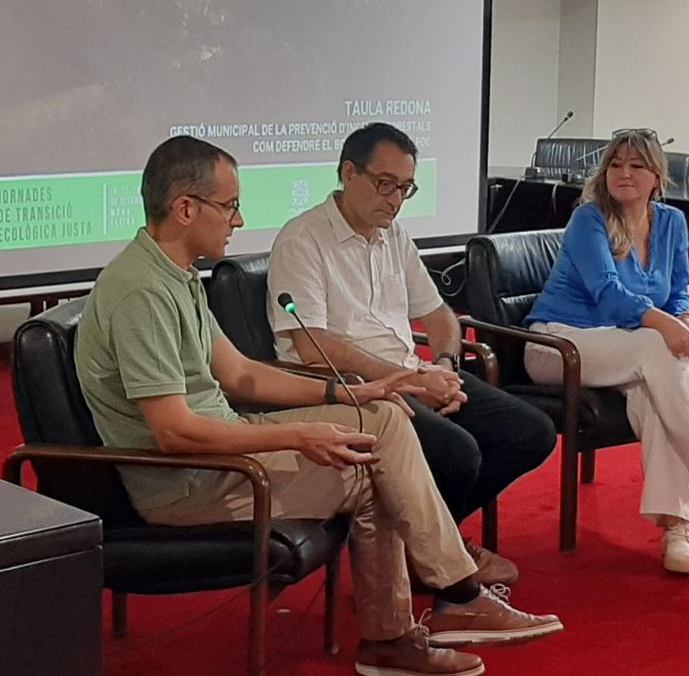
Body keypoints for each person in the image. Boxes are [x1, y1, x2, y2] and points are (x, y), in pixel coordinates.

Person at [74, 136, 562, 676]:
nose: (238, 220)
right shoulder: (140, 291)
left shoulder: (176, 274)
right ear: (186, 208)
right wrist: (298, 436)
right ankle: (433, 611)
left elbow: (239, 373)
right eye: (230, 205)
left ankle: (427, 613)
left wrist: (351, 394)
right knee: (377, 463)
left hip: (223, 451)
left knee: (380, 419)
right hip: (189, 481)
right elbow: (175, 433)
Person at [267, 122, 556, 588]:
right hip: (354, 392)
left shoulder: (393, 235)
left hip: (414, 373)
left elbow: (440, 316)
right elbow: (312, 345)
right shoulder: (303, 240)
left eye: (406, 188)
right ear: (348, 173)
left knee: (531, 432)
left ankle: (422, 544)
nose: (395, 199)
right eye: (386, 184)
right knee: (458, 454)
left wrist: (441, 368)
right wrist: (409, 382)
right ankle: (434, 553)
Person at [522, 130, 689, 574]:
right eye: (616, 164)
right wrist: (666, 324)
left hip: (625, 349)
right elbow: (608, 295)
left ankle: (677, 527)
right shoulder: (588, 220)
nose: (624, 173)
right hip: (558, 345)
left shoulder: (670, 222)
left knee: (656, 391)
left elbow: (679, 293)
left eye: (636, 166)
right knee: (657, 345)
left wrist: (684, 318)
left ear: (656, 177)